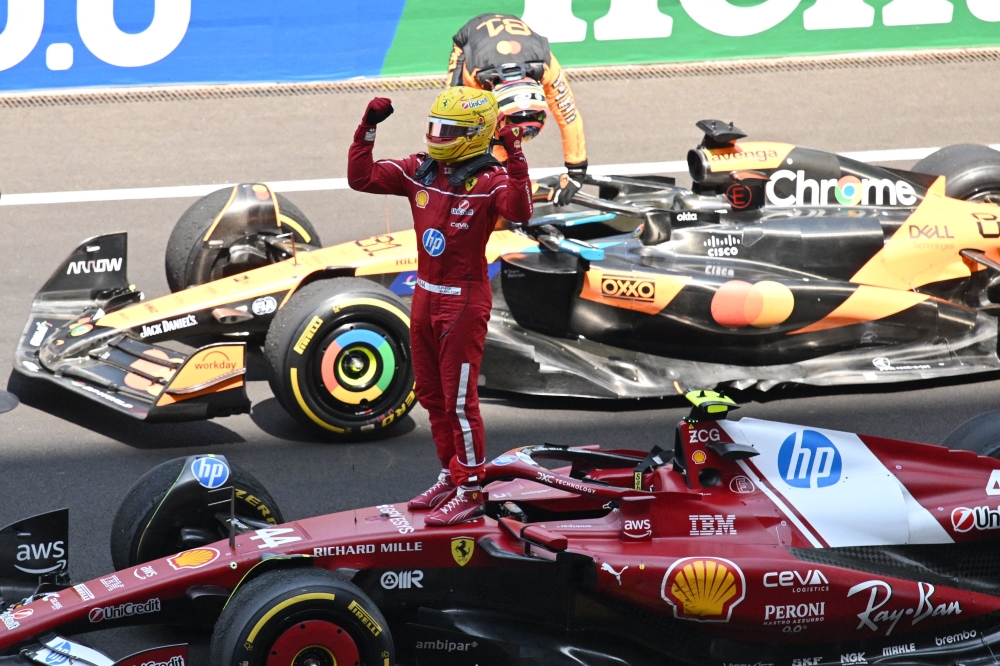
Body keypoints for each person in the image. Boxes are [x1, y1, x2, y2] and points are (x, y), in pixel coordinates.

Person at [347, 89, 533, 526]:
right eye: (434, 128)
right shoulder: (419, 170)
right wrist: (367, 127)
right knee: (431, 398)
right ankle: (451, 476)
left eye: (448, 131)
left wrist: (517, 155)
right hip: (425, 296)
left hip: (463, 302)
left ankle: (471, 489)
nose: (438, 137)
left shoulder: (493, 180)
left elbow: (520, 211)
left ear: (475, 135)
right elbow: (361, 178)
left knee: (459, 402)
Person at [448, 12, 587, 206]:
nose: (522, 136)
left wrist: (577, 171)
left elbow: (568, 115)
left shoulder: (547, 67)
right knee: (454, 116)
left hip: (521, 47)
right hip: (474, 45)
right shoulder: (474, 77)